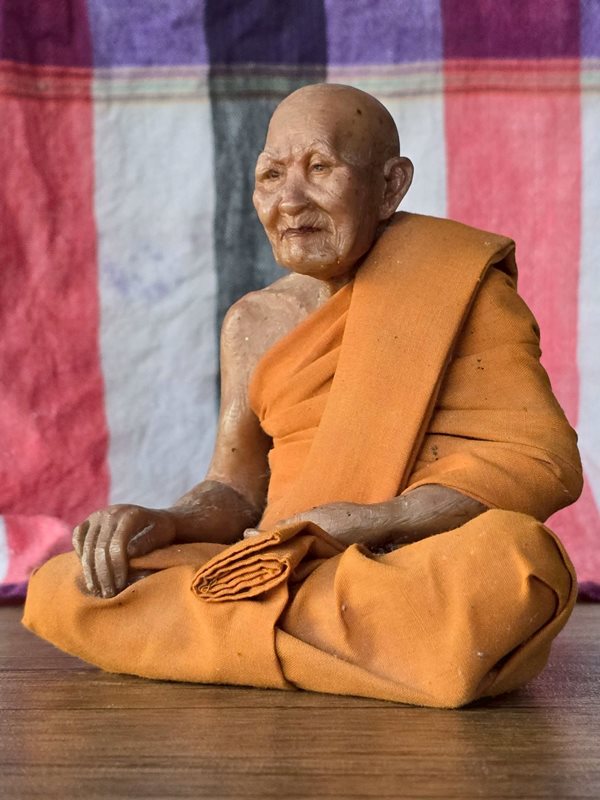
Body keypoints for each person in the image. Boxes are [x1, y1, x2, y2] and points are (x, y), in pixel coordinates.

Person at [23, 84, 582, 708]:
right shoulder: (252, 323)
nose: (290, 200)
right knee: (66, 585)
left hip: (405, 564)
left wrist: (374, 520)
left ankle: (235, 645)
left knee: (515, 564)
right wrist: (166, 521)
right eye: (271, 175)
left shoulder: (460, 287)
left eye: (319, 168)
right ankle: (371, 658)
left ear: (390, 186)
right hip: (280, 566)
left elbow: (542, 464)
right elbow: (235, 491)